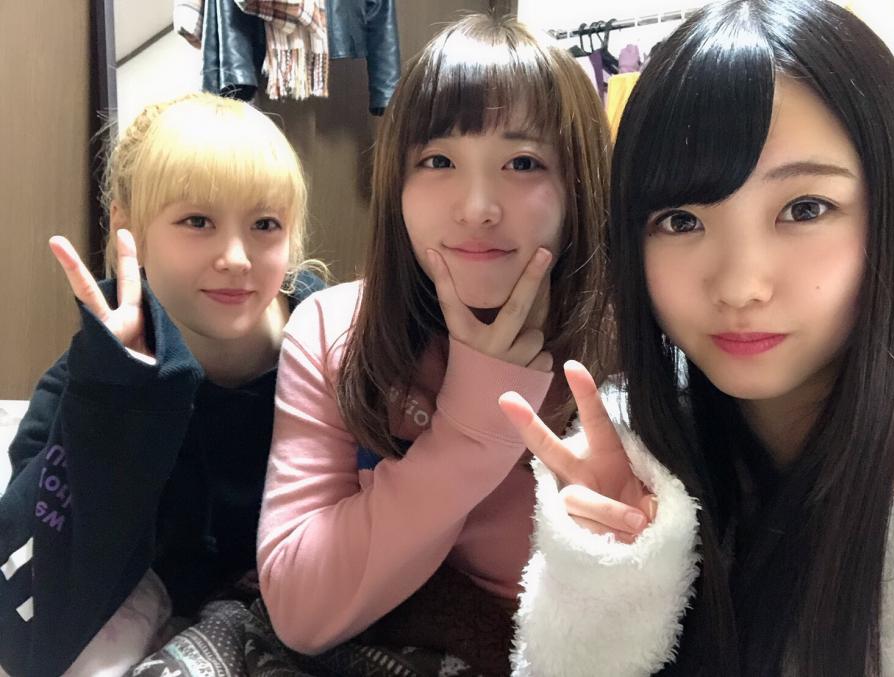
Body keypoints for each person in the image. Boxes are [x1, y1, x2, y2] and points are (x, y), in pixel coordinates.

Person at [501, 0, 894, 675]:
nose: (740, 285)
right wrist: (609, 573)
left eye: (805, 208)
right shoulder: (635, 454)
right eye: (682, 220)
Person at [255, 12, 613, 670]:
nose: (477, 207)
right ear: (397, 182)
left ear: (579, 189)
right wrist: (472, 430)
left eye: (524, 162)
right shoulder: (334, 329)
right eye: (438, 160)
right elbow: (300, 610)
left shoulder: (622, 348)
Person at [0, 92, 324, 677]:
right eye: (197, 221)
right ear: (129, 230)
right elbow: (28, 610)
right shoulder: (88, 381)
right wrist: (120, 396)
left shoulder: (334, 349)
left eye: (265, 224)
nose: (236, 257)